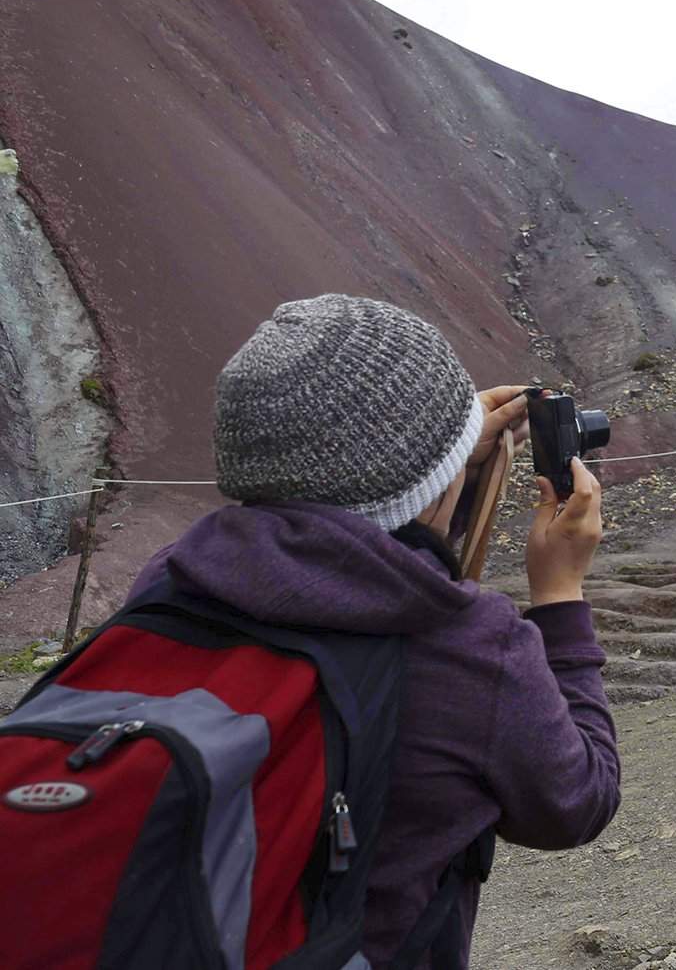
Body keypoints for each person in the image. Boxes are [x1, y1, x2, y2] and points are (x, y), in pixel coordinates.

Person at [126, 295, 621, 964]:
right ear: (435, 476)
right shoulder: (464, 643)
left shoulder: (173, 580)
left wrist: (427, 460)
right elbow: (576, 801)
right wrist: (560, 593)